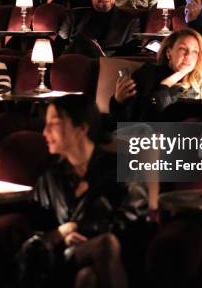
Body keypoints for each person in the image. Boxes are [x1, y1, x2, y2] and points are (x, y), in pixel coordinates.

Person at [19, 94, 146, 288]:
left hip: (116, 257)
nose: (45, 132)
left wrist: (79, 229)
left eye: (54, 123)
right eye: (46, 124)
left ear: (81, 129)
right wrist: (63, 234)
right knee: (103, 248)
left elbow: (132, 221)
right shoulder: (50, 177)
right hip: (61, 259)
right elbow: (38, 230)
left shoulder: (123, 168)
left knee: (89, 275)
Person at [110, 29, 202, 121]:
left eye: (195, 51)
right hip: (138, 134)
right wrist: (118, 101)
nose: (188, 55)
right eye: (182, 49)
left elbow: (158, 103)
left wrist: (173, 79)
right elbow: (125, 118)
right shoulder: (148, 72)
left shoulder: (195, 83)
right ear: (169, 52)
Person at [58, 0, 141, 58]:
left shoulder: (131, 22)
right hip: (76, 65)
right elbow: (58, 48)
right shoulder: (73, 16)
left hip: (109, 68)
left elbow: (130, 56)